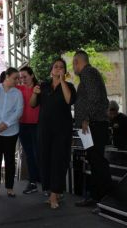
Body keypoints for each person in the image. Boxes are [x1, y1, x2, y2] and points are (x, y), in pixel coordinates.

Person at [30, 58, 76, 209]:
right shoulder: (43, 86)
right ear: (51, 70)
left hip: (62, 130)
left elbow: (69, 100)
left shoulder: (69, 86)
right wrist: (35, 93)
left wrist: (62, 80)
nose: (58, 69)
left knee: (58, 160)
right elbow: (32, 104)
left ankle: (55, 195)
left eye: (61, 67)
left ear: (65, 70)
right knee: (45, 160)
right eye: (56, 67)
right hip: (44, 129)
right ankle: (51, 193)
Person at [72, 50, 112, 211]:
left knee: (97, 162)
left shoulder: (88, 72)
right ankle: (96, 197)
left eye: (73, 63)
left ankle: (105, 199)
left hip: (93, 125)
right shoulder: (88, 75)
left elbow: (95, 97)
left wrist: (86, 118)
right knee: (94, 162)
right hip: (91, 125)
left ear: (77, 62)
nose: (73, 68)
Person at [0, 67, 23, 198]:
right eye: (15, 78)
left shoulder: (17, 93)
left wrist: (6, 124)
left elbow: (18, 111)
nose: (17, 81)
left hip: (11, 131)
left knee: (9, 160)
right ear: (7, 76)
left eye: (18, 78)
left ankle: (9, 187)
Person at [16, 66, 40, 194]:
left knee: (38, 154)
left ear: (32, 75)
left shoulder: (39, 88)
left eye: (25, 76)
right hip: (23, 125)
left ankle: (45, 183)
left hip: (37, 125)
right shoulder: (19, 89)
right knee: (29, 155)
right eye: (20, 77)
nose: (22, 79)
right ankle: (32, 182)